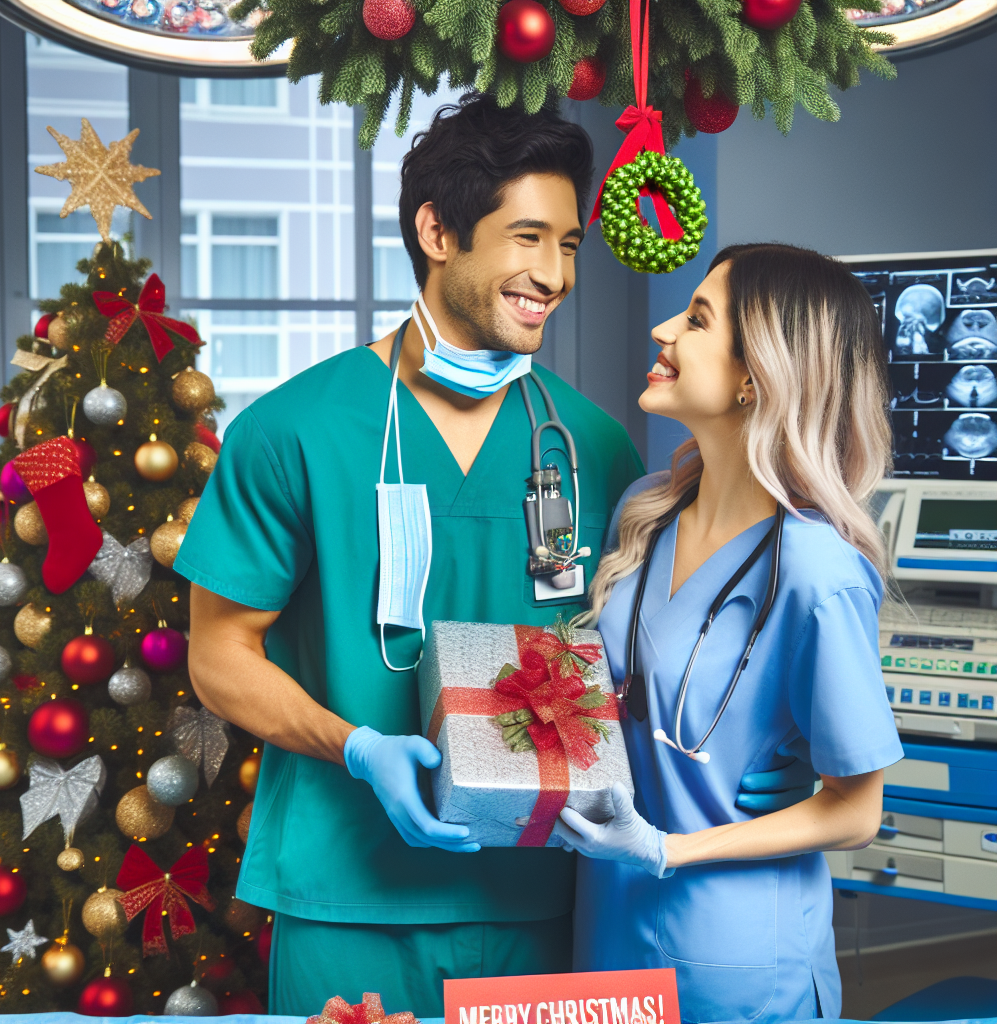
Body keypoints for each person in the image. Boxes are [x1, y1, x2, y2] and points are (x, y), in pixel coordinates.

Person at [176, 95, 644, 1016]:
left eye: (569, 245)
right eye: (526, 238)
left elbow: (632, 655)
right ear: (437, 232)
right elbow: (218, 655)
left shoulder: (593, 446)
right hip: (348, 896)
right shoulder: (294, 431)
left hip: (545, 894)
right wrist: (356, 748)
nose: (553, 275)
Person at [555, 244, 905, 1022]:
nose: (663, 330)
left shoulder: (816, 571)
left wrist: (668, 849)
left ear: (756, 377)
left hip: (736, 959)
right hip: (609, 927)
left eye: (697, 319)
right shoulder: (645, 511)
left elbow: (857, 812)